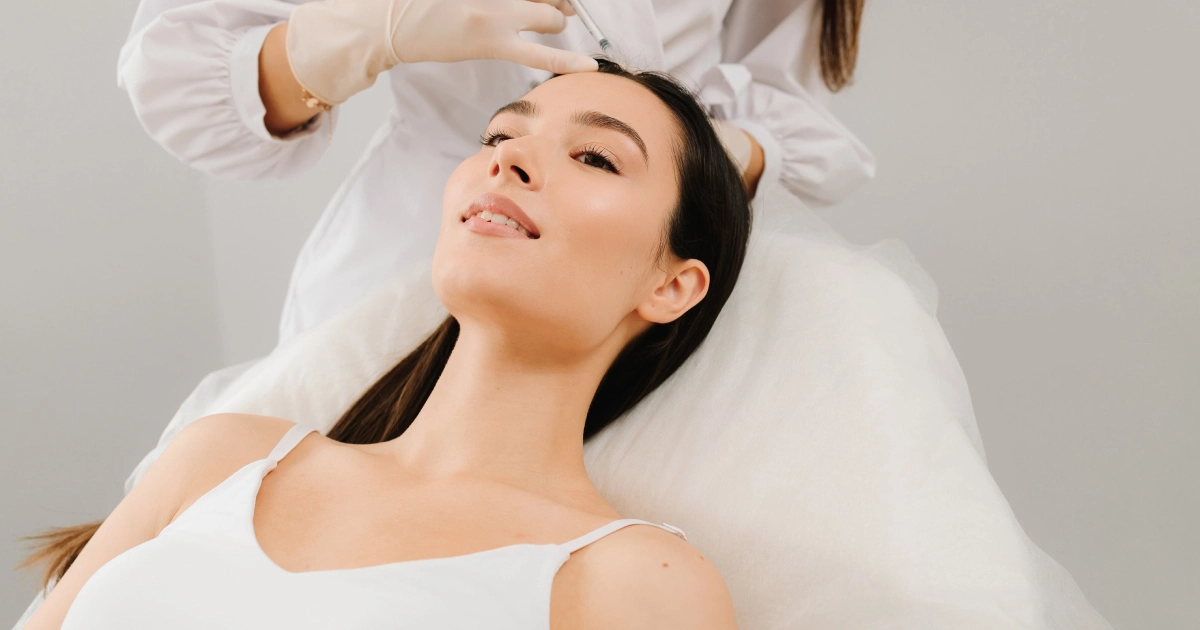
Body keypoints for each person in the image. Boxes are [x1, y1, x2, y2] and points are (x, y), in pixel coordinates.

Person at [17, 59, 752, 629]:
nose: (509, 160)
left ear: (673, 286)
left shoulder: (637, 579)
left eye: (596, 158)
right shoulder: (224, 459)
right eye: (499, 135)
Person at [117, 0, 872, 344]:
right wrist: (372, 27)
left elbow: (784, 96)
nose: (514, 159)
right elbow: (187, 79)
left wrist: (714, 154)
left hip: (646, 258)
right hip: (414, 261)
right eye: (505, 137)